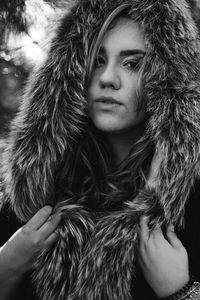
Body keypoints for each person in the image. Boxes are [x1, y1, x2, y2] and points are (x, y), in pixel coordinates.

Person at [1, 0, 200, 299]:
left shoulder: (190, 203)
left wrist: (181, 291)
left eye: (132, 63)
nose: (107, 78)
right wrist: (7, 265)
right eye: (97, 60)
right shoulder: (34, 191)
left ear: (167, 80)